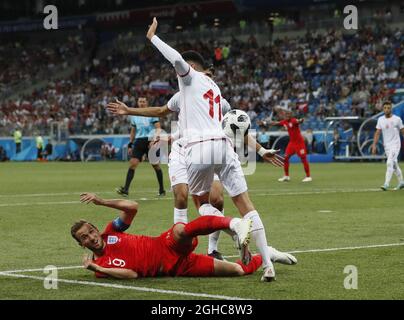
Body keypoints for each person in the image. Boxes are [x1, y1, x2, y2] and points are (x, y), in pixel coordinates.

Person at [144, 18, 282, 281]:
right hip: (225, 148)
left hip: (201, 149)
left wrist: (153, 38)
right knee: (246, 204)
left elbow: (174, 58)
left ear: (192, 67)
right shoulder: (216, 91)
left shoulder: (190, 78)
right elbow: (233, 127)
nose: (178, 71)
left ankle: (234, 228)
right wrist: (261, 150)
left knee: (201, 203)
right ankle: (267, 264)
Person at [108, 93, 291, 265]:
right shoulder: (183, 95)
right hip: (185, 151)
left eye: (210, 74)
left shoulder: (220, 101)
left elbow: (237, 127)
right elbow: (167, 115)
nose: (206, 76)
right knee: (182, 196)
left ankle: (214, 248)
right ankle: (192, 244)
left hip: (214, 152)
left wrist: (260, 150)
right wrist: (169, 138)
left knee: (217, 200)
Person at [71, 193, 262, 279]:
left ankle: (235, 224)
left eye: (91, 231)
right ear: (81, 244)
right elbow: (131, 274)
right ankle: (266, 255)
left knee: (180, 230)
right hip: (178, 268)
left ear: (96, 229)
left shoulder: (112, 231)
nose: (91, 237)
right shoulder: (100, 267)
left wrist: (102, 201)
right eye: (84, 237)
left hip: (166, 245)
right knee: (237, 270)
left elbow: (132, 208)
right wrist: (95, 266)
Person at [116, 97, 165, 197]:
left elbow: (158, 128)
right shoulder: (134, 116)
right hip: (139, 141)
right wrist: (130, 144)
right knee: (132, 164)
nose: (142, 103)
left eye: (143, 101)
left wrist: (154, 139)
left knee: (155, 165)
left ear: (146, 103)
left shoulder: (151, 114)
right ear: (137, 103)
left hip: (150, 141)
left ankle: (161, 189)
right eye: (140, 101)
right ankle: (126, 190)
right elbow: (133, 131)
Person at [268, 108, 312, 182]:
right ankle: (286, 176)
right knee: (285, 158)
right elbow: (275, 123)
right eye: (286, 114)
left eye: (288, 114)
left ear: (291, 115)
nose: (287, 115)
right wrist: (265, 123)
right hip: (291, 143)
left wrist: (301, 120)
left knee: (303, 158)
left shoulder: (294, 120)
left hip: (299, 143)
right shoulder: (284, 122)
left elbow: (298, 121)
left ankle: (308, 176)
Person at [371, 101, 404, 191]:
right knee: (394, 164)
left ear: (391, 108)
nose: (386, 109)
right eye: (385, 108)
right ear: (383, 109)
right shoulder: (380, 120)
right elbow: (377, 133)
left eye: (388, 108)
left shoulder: (397, 119)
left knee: (389, 162)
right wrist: (374, 145)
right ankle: (401, 182)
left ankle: (386, 184)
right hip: (387, 146)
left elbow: (402, 131)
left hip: (396, 145)